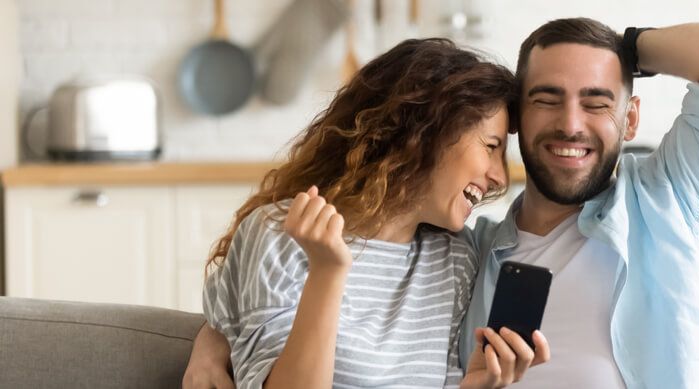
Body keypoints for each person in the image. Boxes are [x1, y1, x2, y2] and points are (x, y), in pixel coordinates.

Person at [186, 18, 699, 388]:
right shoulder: (475, 251)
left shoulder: (672, 197)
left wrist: (621, 47)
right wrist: (216, 336)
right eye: (547, 99)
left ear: (631, 116)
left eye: (597, 101)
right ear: (518, 117)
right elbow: (266, 286)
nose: (571, 124)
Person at [195, 38, 550, 389]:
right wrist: (328, 271)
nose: (499, 177)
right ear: (425, 132)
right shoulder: (285, 232)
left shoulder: (453, 257)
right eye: (491, 147)